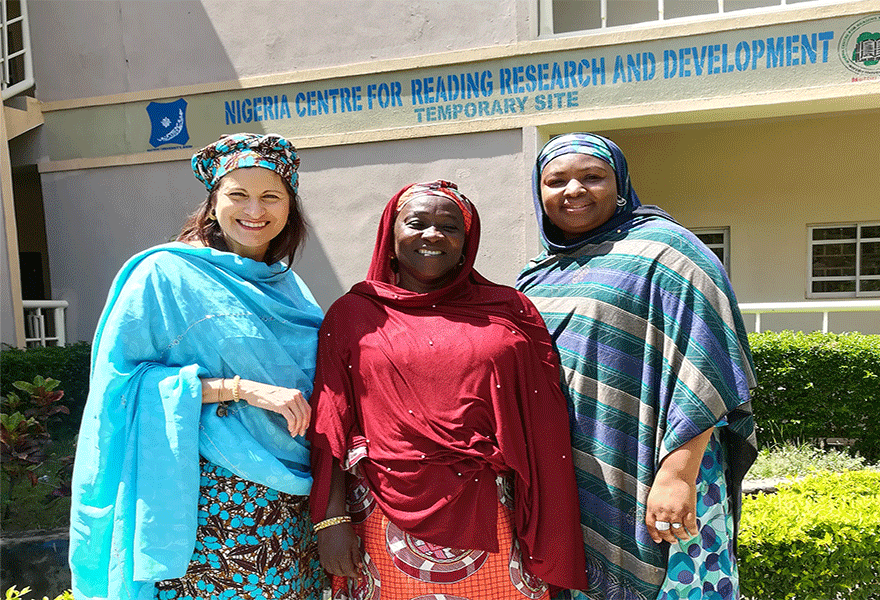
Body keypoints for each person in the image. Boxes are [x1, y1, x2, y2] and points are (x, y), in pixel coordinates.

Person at [69, 133, 325, 600]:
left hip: (292, 504)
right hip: (212, 506)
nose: (255, 209)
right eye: (238, 194)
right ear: (213, 203)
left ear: (290, 208)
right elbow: (121, 385)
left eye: (271, 196)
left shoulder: (291, 288)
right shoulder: (164, 275)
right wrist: (240, 388)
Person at [308, 180, 588, 600]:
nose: (433, 235)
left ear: (466, 243)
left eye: (449, 227)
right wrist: (331, 521)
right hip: (383, 518)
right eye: (417, 223)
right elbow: (331, 421)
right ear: (391, 235)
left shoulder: (508, 310)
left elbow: (543, 421)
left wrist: (548, 523)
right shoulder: (354, 315)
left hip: (497, 515)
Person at [516, 133, 757, 600]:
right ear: (539, 194)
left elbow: (705, 365)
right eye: (556, 180)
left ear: (621, 185)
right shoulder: (540, 271)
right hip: (575, 474)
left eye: (592, 177)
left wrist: (676, 476)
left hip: (659, 469)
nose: (573, 190)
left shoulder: (669, 252)